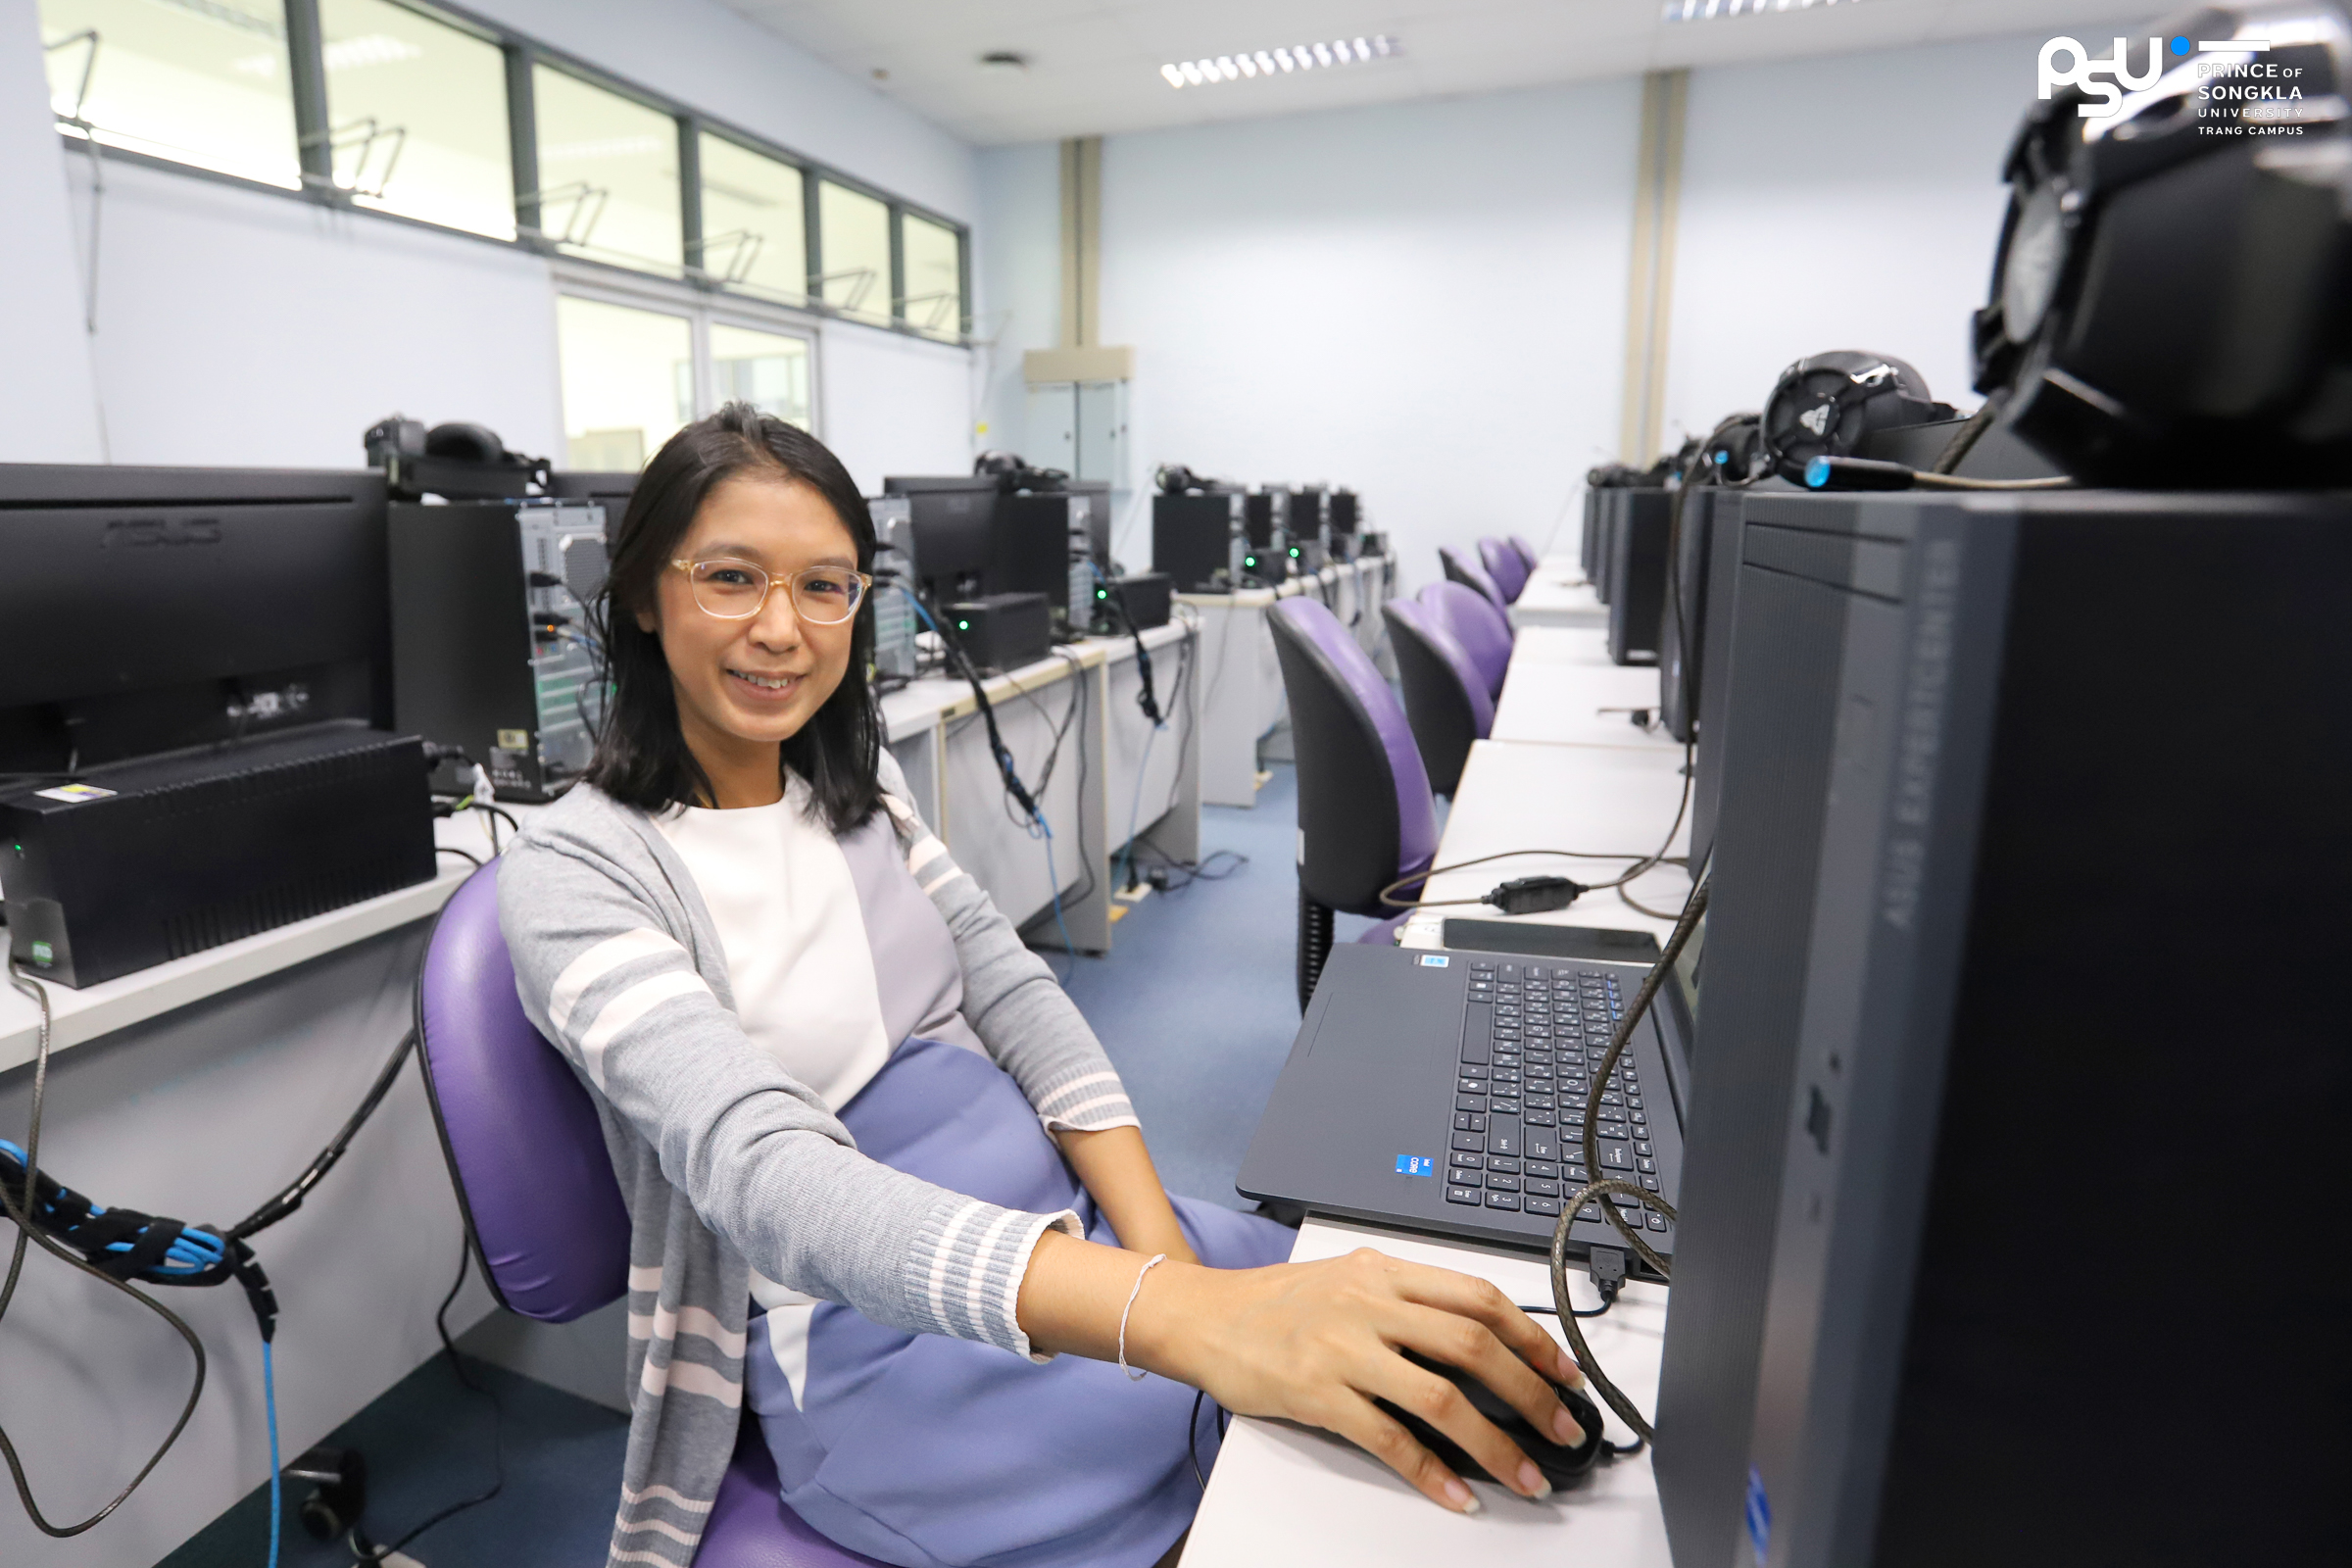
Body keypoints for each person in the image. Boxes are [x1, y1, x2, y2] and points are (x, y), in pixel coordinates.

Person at [499, 405, 1589, 1568]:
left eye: (824, 587)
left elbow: (1018, 998)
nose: (782, 628)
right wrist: (1176, 1317)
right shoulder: (575, 874)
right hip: (885, 1341)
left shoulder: (858, 788)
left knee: (1434, 1358)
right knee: (1297, 1510)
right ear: (642, 594)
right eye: (731, 578)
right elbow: (773, 1182)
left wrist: (1162, 1255)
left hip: (1082, 1244)